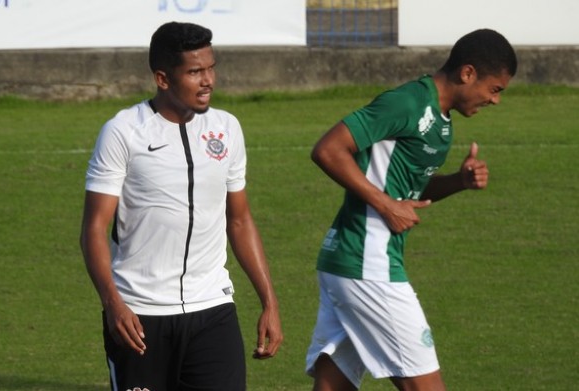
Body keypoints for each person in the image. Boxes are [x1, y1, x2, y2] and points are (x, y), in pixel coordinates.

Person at [305, 29, 517, 391]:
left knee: (333, 384)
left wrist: (457, 182)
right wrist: (386, 205)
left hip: (349, 261)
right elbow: (328, 150)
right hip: (368, 263)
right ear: (467, 73)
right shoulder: (406, 103)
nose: (494, 101)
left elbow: (408, 189)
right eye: (494, 90)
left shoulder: (443, 122)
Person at [80, 21, 283, 391]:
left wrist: (269, 302)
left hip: (213, 309)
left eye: (211, 68)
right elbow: (94, 228)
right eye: (194, 72)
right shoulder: (124, 132)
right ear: (162, 78)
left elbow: (239, 221)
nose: (208, 80)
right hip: (140, 315)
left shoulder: (226, 128)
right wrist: (113, 304)